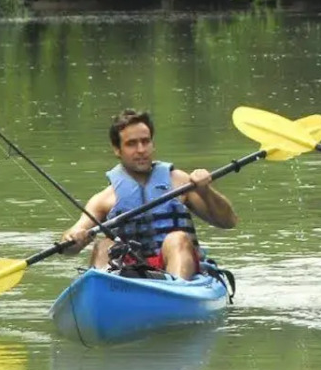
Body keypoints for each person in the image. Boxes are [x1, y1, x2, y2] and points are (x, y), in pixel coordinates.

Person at [60, 108, 237, 279]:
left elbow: (228, 222)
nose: (141, 150)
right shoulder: (104, 199)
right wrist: (74, 238)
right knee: (104, 245)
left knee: (177, 239)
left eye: (145, 141)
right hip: (128, 272)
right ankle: (107, 288)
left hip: (178, 271)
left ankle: (175, 292)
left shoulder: (181, 182)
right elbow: (70, 244)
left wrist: (206, 192)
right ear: (117, 149)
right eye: (131, 144)